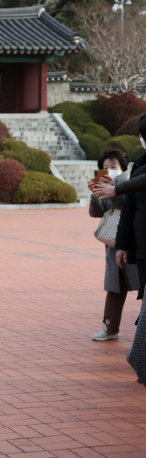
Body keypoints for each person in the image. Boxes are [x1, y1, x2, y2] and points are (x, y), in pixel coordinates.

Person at [87, 150, 140, 340]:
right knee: (115, 286)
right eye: (105, 168)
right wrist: (95, 196)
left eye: (113, 167)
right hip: (113, 244)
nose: (109, 171)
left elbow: (130, 207)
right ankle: (109, 327)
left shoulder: (134, 182)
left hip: (135, 243)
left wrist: (115, 192)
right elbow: (96, 213)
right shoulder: (104, 185)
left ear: (124, 168)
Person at [115, 118, 146, 315]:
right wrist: (122, 244)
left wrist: (116, 189)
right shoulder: (140, 167)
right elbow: (128, 209)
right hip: (143, 246)